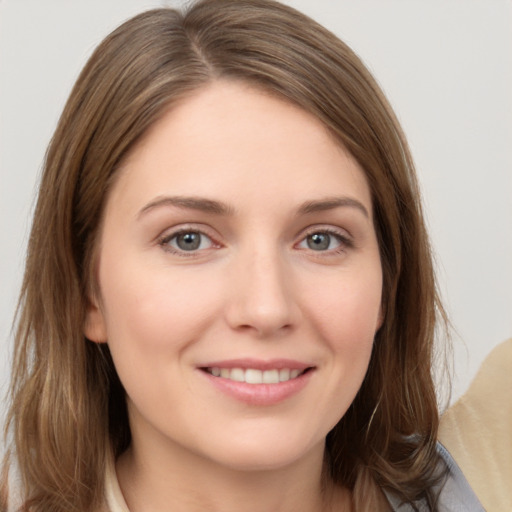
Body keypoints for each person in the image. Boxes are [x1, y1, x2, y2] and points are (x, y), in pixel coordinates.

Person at [1, 1, 483, 510]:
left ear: (388, 284)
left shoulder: (489, 474)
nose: (266, 308)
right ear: (86, 290)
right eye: (188, 239)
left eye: (321, 239)